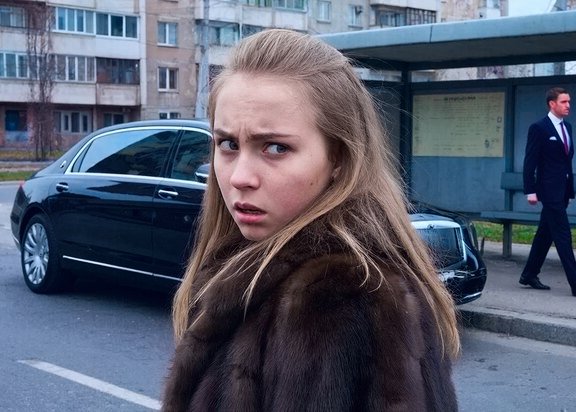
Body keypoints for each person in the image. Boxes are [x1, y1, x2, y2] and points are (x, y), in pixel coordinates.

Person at [161, 29, 459, 411]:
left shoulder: (339, 297)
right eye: (228, 144)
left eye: (275, 148)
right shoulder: (247, 266)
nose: (239, 177)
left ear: (339, 159)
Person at [519, 87, 576, 298]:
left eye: (569, 101)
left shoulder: (568, 127)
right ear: (552, 104)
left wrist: (570, 191)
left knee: (545, 234)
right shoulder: (539, 128)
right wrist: (530, 190)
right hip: (548, 191)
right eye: (564, 102)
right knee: (563, 235)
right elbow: (530, 161)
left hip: (562, 191)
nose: (568, 105)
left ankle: (529, 274)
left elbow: (566, 163)